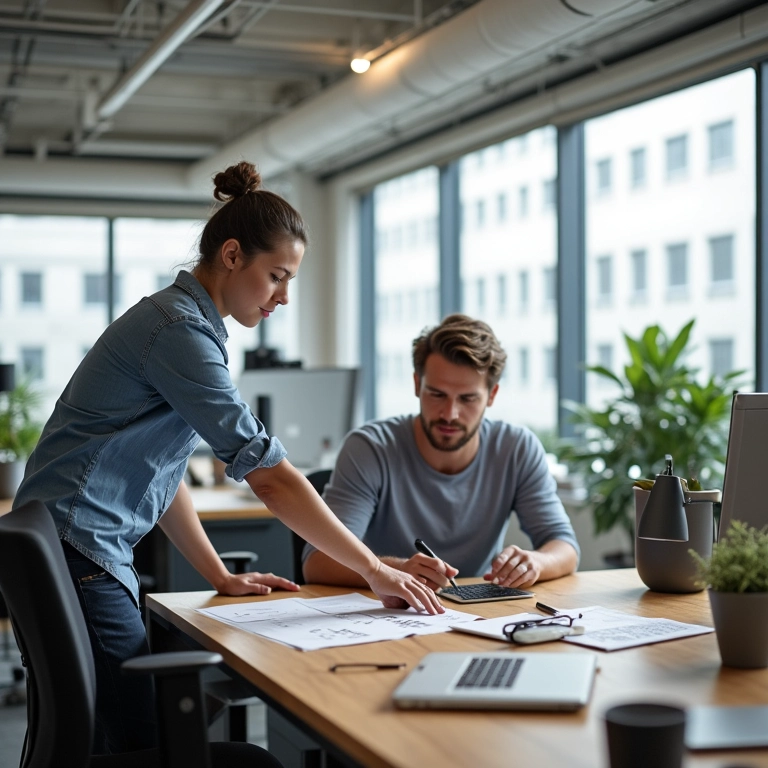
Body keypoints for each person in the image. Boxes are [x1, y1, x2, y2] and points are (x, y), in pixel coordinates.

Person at [12, 161, 441, 757]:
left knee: (127, 731)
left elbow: (159, 476)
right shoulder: (179, 332)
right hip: (80, 552)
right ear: (233, 255)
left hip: (73, 548)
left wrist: (218, 575)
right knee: (144, 741)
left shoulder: (181, 325)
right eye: (277, 276)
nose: (284, 298)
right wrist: (375, 569)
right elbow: (270, 479)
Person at [302, 314, 579, 592]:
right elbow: (317, 562)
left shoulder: (517, 449)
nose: (450, 414)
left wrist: (536, 563)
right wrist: (394, 571)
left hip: (478, 613)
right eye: (436, 394)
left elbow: (564, 546)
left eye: (468, 398)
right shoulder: (371, 448)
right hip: (385, 613)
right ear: (416, 385)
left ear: (492, 395)